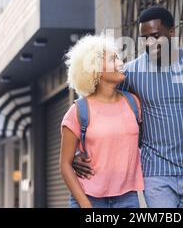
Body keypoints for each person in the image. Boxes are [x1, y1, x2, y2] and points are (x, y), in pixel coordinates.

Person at [73, 5, 183, 208]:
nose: (149, 43)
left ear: (171, 32)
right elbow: (96, 103)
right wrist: (75, 154)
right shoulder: (131, 72)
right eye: (145, 39)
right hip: (156, 175)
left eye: (155, 36)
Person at [59, 34, 143, 208]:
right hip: (89, 198)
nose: (121, 64)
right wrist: (85, 205)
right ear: (95, 69)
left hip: (127, 199)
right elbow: (65, 165)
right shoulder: (78, 111)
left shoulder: (133, 103)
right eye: (113, 59)